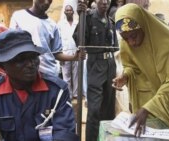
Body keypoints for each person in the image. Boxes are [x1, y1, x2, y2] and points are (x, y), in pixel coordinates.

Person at [112, 3, 169, 139]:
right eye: (126, 38)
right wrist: (125, 76)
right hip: (145, 101)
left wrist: (148, 108)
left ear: (143, 25)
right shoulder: (126, 40)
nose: (131, 43)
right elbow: (132, 67)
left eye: (134, 36)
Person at [0, 30, 78, 141]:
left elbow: (65, 134)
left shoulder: (57, 90)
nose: (31, 64)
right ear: (2, 66)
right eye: (20, 59)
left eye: (33, 56)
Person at [75, 0, 118, 140]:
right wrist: (80, 17)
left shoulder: (111, 21)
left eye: (107, 0)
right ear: (96, 1)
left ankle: (106, 137)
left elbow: (115, 46)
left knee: (109, 107)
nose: (105, 2)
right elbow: (79, 39)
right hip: (95, 64)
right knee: (94, 109)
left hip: (111, 65)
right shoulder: (88, 18)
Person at [9, 0, 84, 77]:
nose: (46, 2)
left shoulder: (53, 25)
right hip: (27, 74)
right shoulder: (18, 17)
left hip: (49, 75)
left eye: (49, 0)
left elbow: (56, 53)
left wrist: (74, 57)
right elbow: (12, 46)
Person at [58, 4, 80, 99]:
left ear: (73, 12)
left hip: (76, 52)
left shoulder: (77, 23)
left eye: (70, 10)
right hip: (65, 53)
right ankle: (69, 95)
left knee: (76, 74)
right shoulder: (60, 24)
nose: (69, 12)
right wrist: (60, 54)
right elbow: (58, 40)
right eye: (67, 10)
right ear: (64, 12)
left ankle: (75, 94)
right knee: (66, 76)